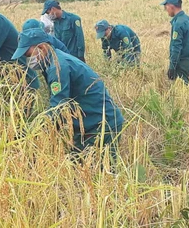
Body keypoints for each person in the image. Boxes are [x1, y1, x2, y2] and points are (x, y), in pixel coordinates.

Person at [11, 28, 124, 161]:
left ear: (41, 47)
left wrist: (33, 133)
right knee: (78, 167)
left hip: (100, 125)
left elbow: (58, 107)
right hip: (88, 124)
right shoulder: (53, 60)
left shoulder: (58, 67)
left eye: (27, 55)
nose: (27, 59)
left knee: (99, 173)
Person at [161, 0, 189, 85]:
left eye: (166, 7)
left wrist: (172, 67)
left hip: (181, 61)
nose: (166, 10)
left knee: (179, 89)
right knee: (183, 86)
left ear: (171, 6)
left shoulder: (178, 23)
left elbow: (176, 47)